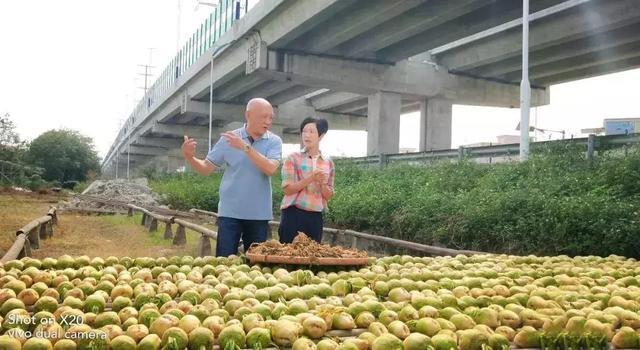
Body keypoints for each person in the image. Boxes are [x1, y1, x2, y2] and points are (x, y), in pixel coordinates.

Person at [181, 98, 282, 256]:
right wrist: (190, 157)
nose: (268, 121)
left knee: (256, 265)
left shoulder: (274, 141)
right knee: (223, 262)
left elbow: (270, 168)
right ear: (248, 115)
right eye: (263, 117)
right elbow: (206, 169)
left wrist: (245, 147)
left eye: (271, 118)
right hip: (230, 213)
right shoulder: (228, 139)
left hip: (259, 214)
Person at [279, 117, 335, 243]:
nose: (306, 135)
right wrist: (311, 178)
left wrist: (322, 184)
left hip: (315, 216)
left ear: (321, 136)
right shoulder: (292, 158)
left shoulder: (328, 162)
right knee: (287, 255)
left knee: (312, 258)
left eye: (311, 131)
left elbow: (328, 195)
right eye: (304, 131)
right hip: (293, 214)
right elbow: (287, 190)